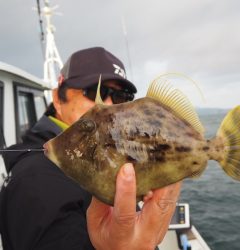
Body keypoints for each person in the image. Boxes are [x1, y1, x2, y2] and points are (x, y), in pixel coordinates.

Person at [0, 47, 181, 250]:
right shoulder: (35, 180)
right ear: (58, 98)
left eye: (121, 96)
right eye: (96, 91)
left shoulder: (103, 155)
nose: (109, 105)